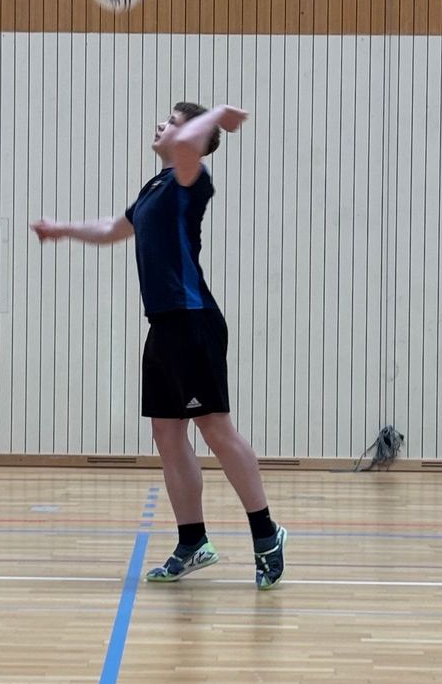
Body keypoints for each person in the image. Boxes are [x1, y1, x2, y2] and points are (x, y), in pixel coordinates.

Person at [31, 102, 287, 590]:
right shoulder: (156, 188)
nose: (160, 126)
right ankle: (193, 542)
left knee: (215, 429)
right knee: (168, 437)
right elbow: (113, 229)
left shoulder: (193, 178)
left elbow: (191, 143)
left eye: (169, 120)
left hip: (194, 322)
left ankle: (266, 534)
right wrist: (63, 229)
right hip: (165, 327)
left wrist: (215, 114)